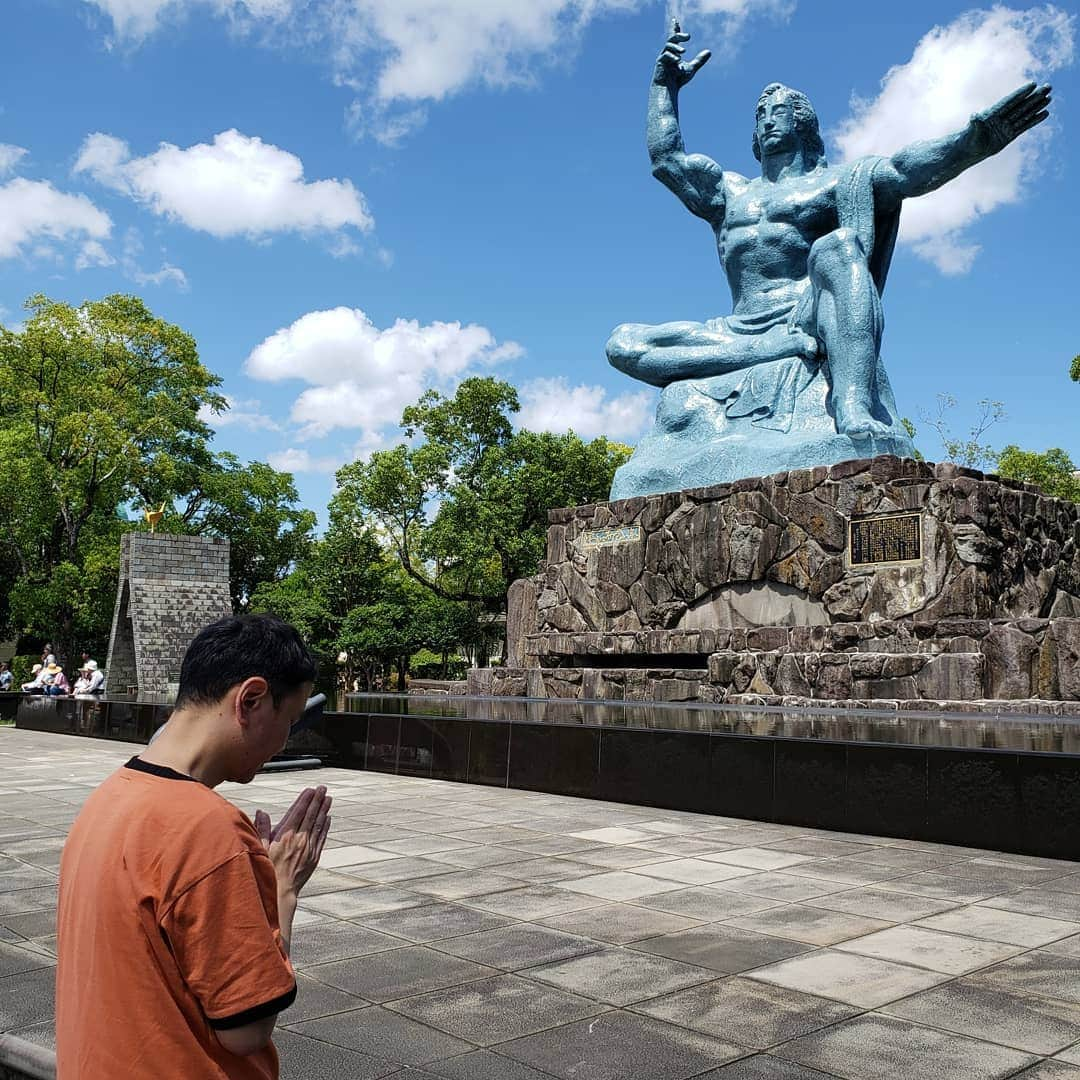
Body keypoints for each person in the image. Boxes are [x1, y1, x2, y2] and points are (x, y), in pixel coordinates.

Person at [607, 21, 1052, 438]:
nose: (766, 119)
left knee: (839, 246)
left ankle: (851, 402)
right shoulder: (729, 193)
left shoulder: (838, 182)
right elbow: (667, 161)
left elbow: (904, 170)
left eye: (778, 111)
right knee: (623, 343)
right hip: (738, 329)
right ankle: (770, 350)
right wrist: (663, 87)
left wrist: (973, 142)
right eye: (760, 113)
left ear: (802, 122)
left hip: (805, 313)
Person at [56, 614, 333, 1079]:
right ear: (251, 699)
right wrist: (282, 889)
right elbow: (246, 1030)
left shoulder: (108, 799)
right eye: (288, 720)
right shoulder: (209, 831)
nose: (285, 740)